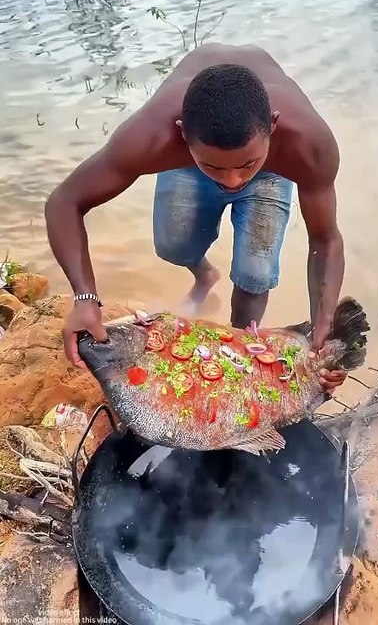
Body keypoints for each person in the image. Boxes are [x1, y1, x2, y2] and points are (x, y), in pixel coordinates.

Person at [45, 43, 346, 391]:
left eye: (245, 165)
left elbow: (325, 238)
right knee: (173, 245)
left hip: (271, 170)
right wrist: (84, 298)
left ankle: (239, 350)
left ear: (273, 126)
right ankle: (205, 275)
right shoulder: (152, 137)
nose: (233, 181)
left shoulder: (308, 145)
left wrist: (324, 327)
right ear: (182, 133)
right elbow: (64, 201)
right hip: (191, 164)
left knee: (255, 273)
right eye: (216, 168)